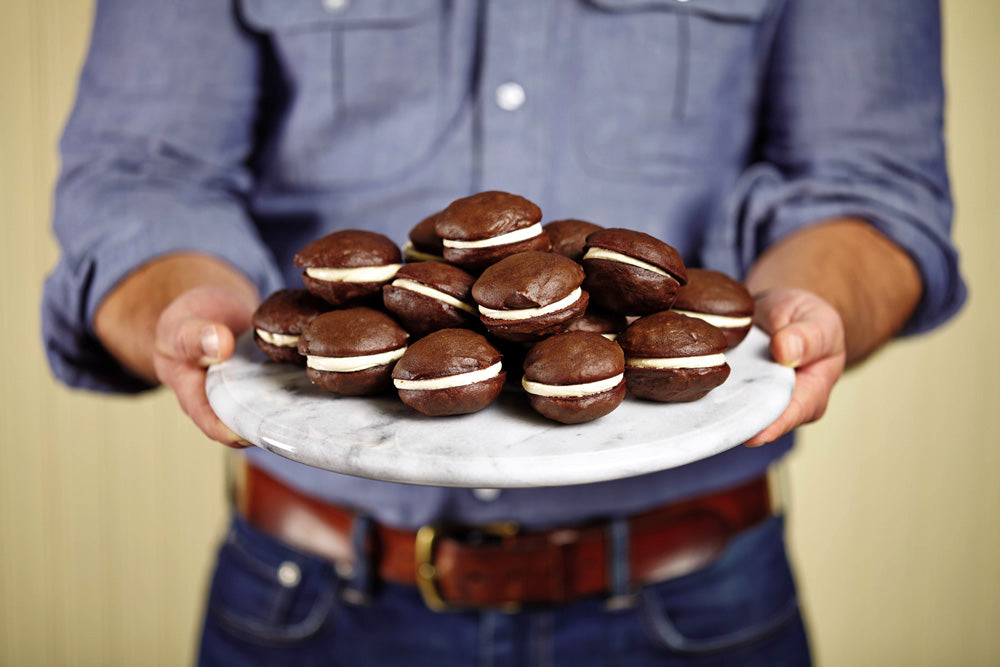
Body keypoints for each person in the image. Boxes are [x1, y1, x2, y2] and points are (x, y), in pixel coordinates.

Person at [43, 0, 965, 664]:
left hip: (698, 601)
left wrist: (809, 299)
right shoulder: (417, 280)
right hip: (308, 599)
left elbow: (872, 180)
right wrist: (184, 299)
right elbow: (139, 171)